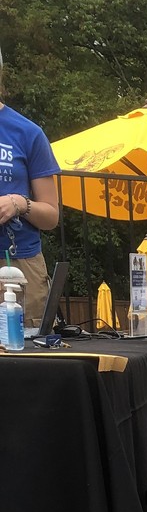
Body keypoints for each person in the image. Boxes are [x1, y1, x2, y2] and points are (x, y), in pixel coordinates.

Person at [0, 45, 61, 327]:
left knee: (24, 358)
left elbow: (51, 215)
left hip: (19, 266)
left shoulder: (28, 132)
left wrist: (18, 203)